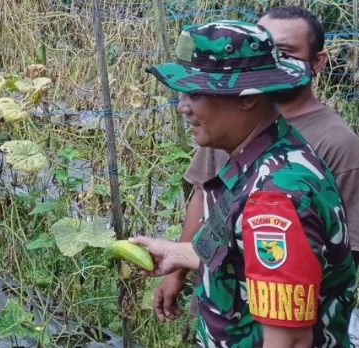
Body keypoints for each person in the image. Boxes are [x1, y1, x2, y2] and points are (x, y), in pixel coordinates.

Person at [133, 20, 355, 347]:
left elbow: (289, 341)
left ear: (248, 98)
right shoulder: (263, 155)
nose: (183, 107)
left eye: (196, 93)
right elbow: (249, 258)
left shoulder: (277, 197)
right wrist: (176, 254)